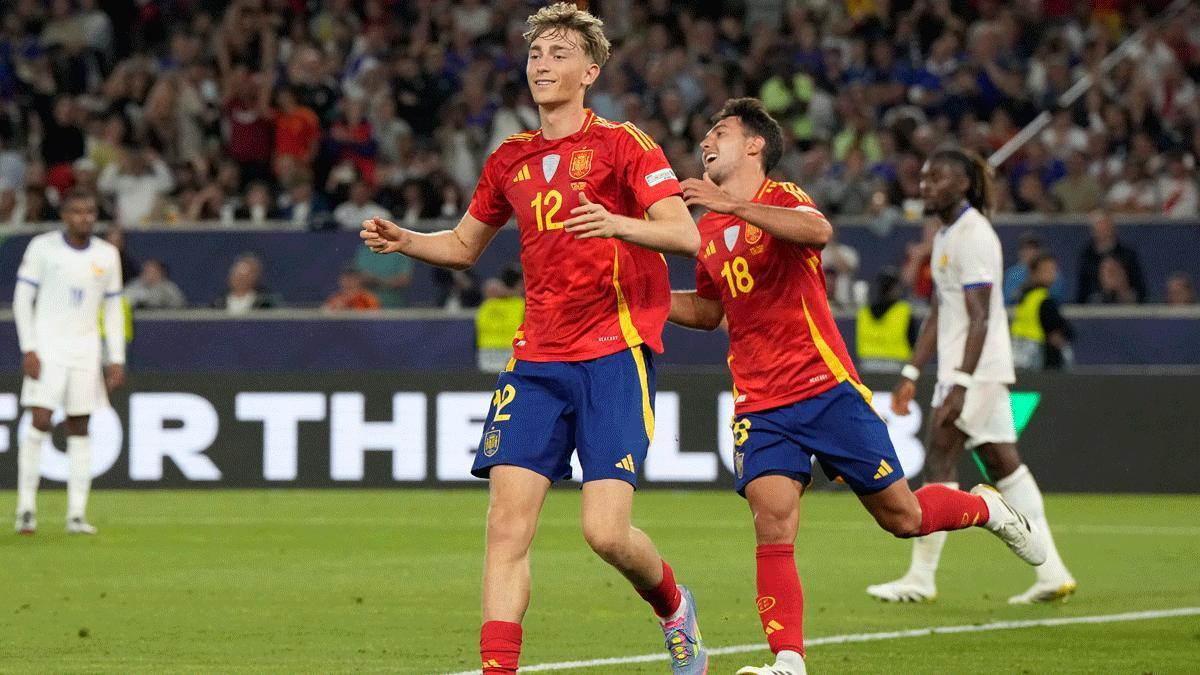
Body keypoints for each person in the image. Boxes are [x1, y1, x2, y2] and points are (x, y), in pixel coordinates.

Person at [358, 5, 707, 674]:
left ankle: (671, 604)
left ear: (590, 71)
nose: (542, 64)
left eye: (558, 53)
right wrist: (407, 240)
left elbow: (684, 235)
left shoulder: (624, 144)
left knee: (605, 532)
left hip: (613, 354)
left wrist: (617, 223)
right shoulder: (509, 158)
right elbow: (464, 245)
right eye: (536, 53)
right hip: (536, 360)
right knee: (505, 526)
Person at [669, 99, 1046, 675]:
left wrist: (734, 204)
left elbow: (817, 231)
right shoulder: (711, 228)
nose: (706, 142)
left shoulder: (781, 197)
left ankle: (986, 508)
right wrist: (643, 301)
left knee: (902, 518)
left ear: (754, 145)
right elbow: (708, 309)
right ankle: (788, 660)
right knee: (772, 522)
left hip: (825, 390)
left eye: (720, 132)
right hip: (759, 403)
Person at [872, 149, 1076, 606]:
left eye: (937, 179)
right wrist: (911, 372)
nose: (925, 186)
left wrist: (961, 382)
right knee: (1003, 464)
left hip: (975, 370)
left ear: (963, 185)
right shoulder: (947, 234)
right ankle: (1053, 572)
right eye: (924, 178)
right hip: (970, 369)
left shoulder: (974, 235)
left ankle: (921, 577)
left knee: (939, 457)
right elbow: (939, 309)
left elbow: (981, 317)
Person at [12, 189, 125, 535]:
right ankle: (26, 509)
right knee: (40, 421)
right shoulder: (43, 248)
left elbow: (113, 308)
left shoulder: (107, 255)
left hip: (86, 351)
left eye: (89, 211)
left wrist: (116, 357)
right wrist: (29, 347)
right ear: (64, 215)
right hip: (48, 348)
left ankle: (76, 514)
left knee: (80, 425)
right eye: (77, 211)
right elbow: (22, 300)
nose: (84, 218)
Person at [1011, 253, 1073, 370]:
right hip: (1036, 360)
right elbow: (1057, 335)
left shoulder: (1025, 298)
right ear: (1033, 273)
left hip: (1019, 359)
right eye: (1046, 270)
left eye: (1053, 269)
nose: (1051, 274)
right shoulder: (1044, 302)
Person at [856, 267, 916, 374]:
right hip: (897, 366)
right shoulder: (904, 310)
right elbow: (914, 343)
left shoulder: (864, 312)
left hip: (867, 366)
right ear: (895, 288)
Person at [1076, 210, 1145, 303]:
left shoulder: (1128, 255)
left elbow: (1141, 292)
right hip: (1095, 306)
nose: (1103, 230)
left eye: (1105, 226)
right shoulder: (1087, 257)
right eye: (1099, 227)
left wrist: (1122, 288)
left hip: (1125, 306)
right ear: (1093, 231)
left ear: (1113, 228)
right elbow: (1082, 294)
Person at [212, 253, 281, 314]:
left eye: (245, 276)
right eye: (237, 275)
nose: (240, 280)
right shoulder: (219, 303)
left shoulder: (267, 302)